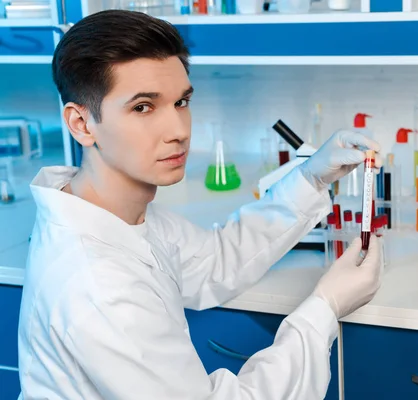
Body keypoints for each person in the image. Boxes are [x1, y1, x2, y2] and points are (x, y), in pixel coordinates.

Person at [17, 9, 383, 400]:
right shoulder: (100, 286)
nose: (179, 131)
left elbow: (214, 261)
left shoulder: (112, 212)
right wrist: (324, 308)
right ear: (81, 124)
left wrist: (312, 176)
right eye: (143, 107)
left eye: (181, 102)